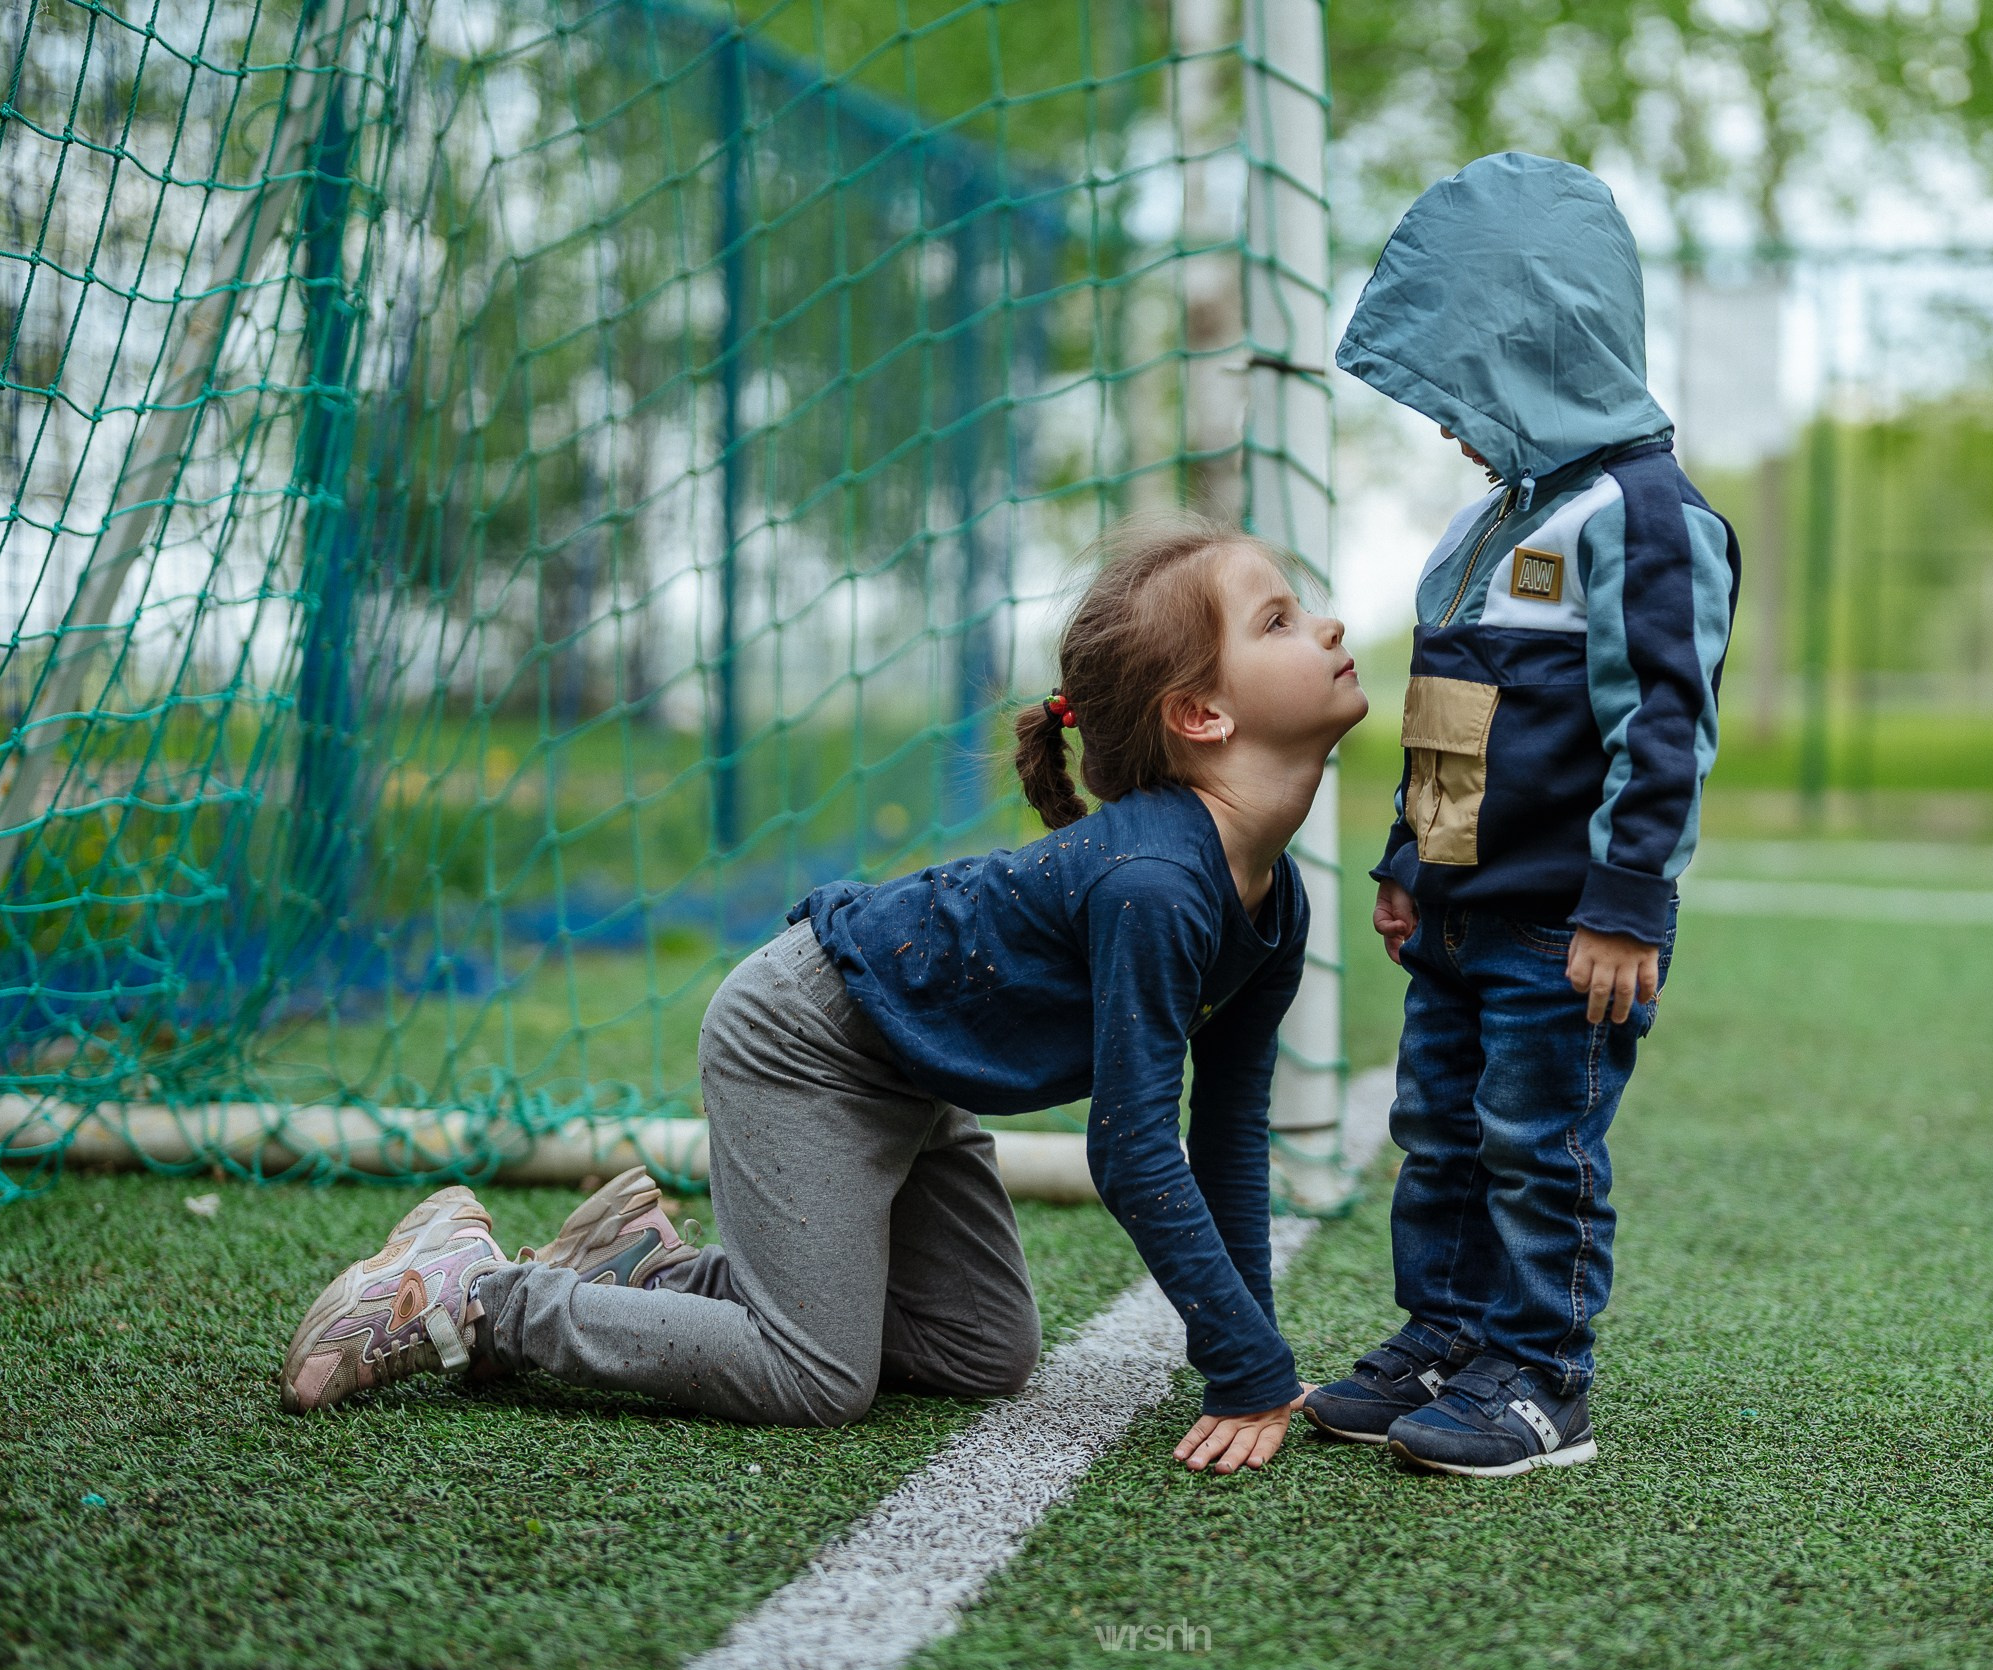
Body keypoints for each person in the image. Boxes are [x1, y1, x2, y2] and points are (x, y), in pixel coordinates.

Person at [279, 512, 1367, 1476]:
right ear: (1201, 717)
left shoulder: (1273, 902)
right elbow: (1132, 1149)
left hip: (914, 1067)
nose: (1322, 628)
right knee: (814, 1377)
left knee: (979, 1354)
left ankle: (639, 1270)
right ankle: (474, 1296)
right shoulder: (1156, 883)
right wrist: (1244, 1365)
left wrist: (1251, 1353)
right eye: (1276, 621)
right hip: (804, 1038)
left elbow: (1224, 1136)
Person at [1298, 152, 1740, 1476]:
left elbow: (1666, 725)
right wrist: (1408, 860)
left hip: (1566, 927)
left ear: (1542, 341)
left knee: (1537, 1143)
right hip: (1459, 912)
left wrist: (1627, 904)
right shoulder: (1487, 523)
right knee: (1436, 1128)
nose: (1445, 419)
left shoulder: (1644, 516)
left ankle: (1544, 1376)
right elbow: (1447, 707)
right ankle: (1444, 1335)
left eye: (1463, 380)